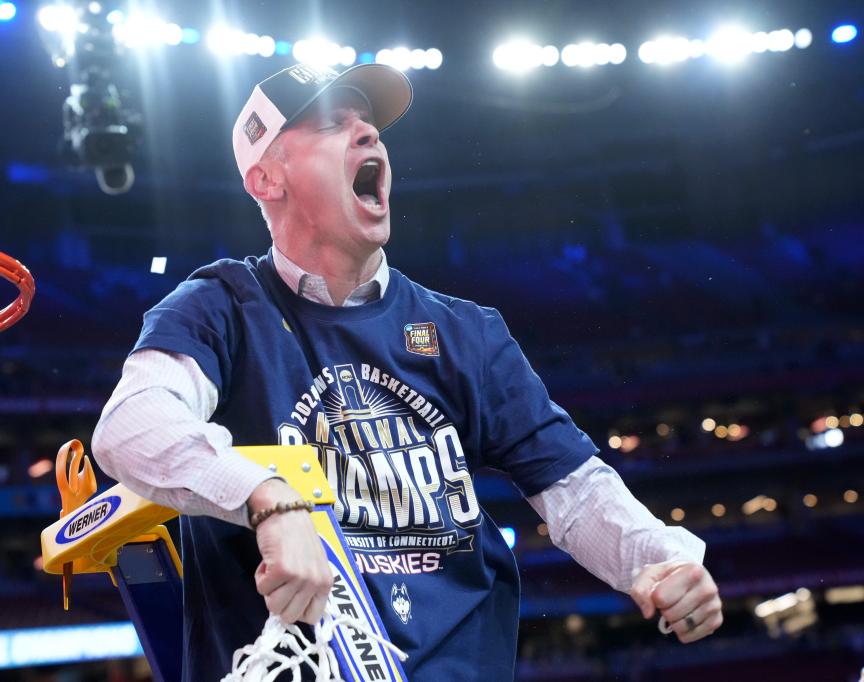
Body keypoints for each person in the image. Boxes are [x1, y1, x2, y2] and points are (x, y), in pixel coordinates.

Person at [91, 62, 722, 681]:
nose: (368, 134)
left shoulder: (467, 331)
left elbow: (576, 488)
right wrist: (271, 503)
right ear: (267, 179)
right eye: (332, 125)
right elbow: (131, 426)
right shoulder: (219, 306)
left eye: (369, 122)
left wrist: (659, 557)